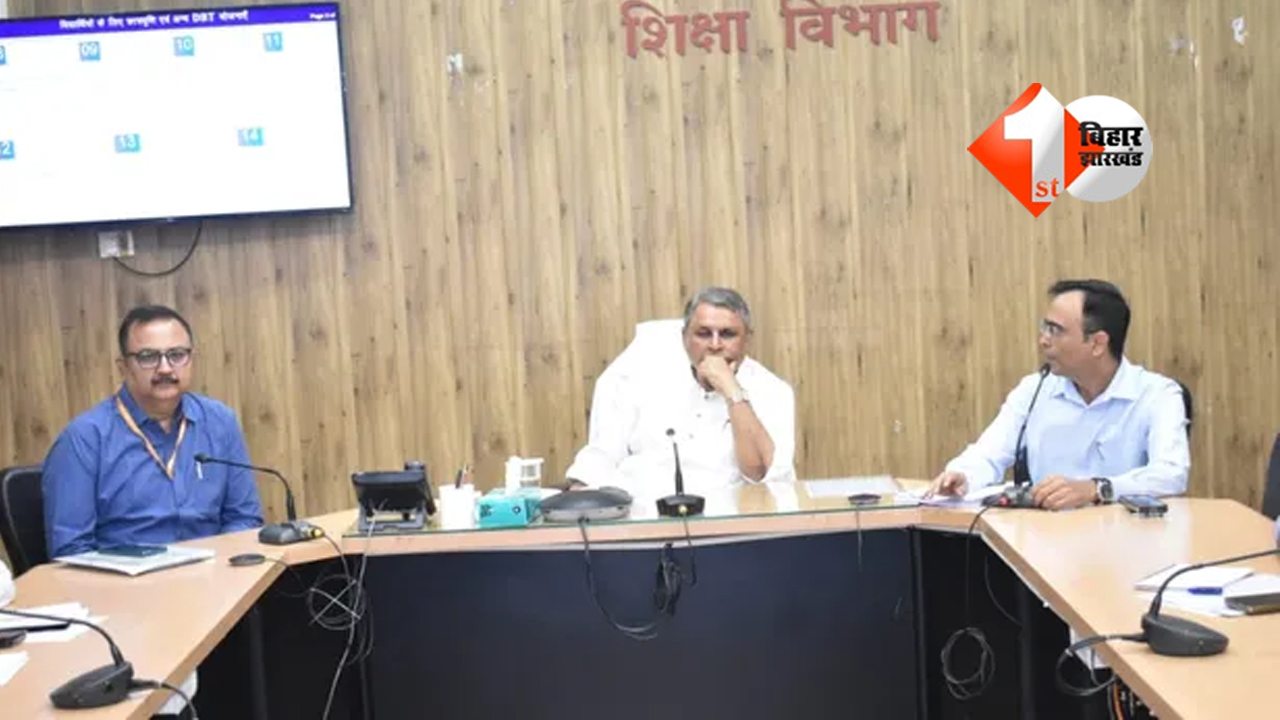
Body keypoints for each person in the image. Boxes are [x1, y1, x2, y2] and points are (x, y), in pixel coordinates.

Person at [927, 279, 1189, 510]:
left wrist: (1095, 489)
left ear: (1097, 343)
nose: (1043, 340)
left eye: (1055, 330)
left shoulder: (1158, 394)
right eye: (1045, 328)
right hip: (1044, 535)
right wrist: (962, 475)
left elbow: (1171, 474)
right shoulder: (1034, 390)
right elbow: (989, 453)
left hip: (1125, 538)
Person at [42, 305, 264, 558]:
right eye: (148, 357)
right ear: (123, 367)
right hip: (127, 580)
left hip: (215, 572)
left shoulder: (220, 422)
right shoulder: (84, 439)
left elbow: (244, 519)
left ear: (191, 359)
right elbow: (71, 551)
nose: (165, 368)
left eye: (177, 355)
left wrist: (219, 566)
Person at [564, 286, 796, 502]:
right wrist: (581, 495)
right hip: (642, 513)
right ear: (684, 337)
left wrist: (732, 391)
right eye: (703, 334)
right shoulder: (636, 375)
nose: (715, 345)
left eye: (727, 334)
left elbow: (759, 475)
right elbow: (603, 453)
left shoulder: (773, 391)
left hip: (730, 519)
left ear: (747, 339)